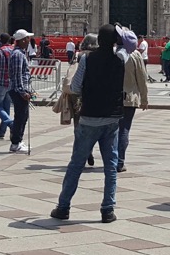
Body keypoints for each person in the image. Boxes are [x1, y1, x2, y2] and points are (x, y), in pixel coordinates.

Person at [51, 24, 130, 222]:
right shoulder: (121, 58)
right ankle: (107, 210)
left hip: (89, 118)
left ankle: (63, 207)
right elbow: (131, 43)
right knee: (110, 166)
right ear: (115, 41)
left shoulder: (87, 59)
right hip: (112, 119)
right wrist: (121, 38)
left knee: (76, 164)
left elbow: (76, 87)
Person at [115, 29, 149, 173]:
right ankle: (120, 161)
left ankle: (111, 159)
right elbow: (142, 78)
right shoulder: (135, 56)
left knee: (112, 131)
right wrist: (144, 99)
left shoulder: (113, 54)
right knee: (124, 130)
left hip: (112, 98)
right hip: (129, 98)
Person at [4, 29, 35, 152]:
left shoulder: (20, 53)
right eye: (27, 38)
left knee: (23, 116)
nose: (29, 40)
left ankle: (18, 141)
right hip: (18, 90)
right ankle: (15, 143)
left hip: (19, 89)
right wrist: (22, 92)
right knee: (20, 116)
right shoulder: (17, 54)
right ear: (22, 40)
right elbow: (17, 75)